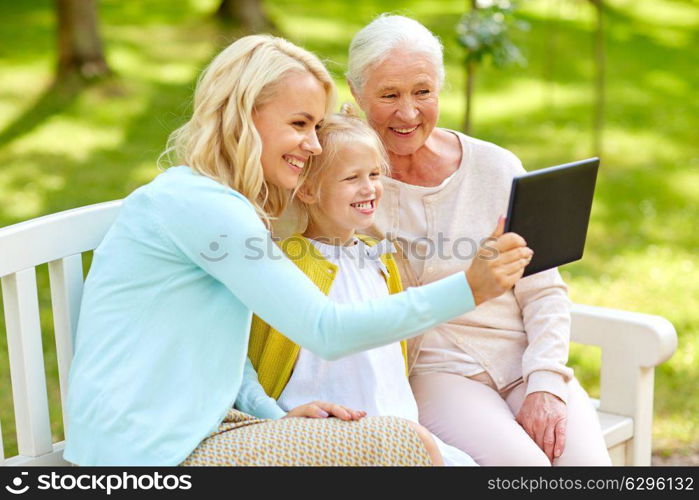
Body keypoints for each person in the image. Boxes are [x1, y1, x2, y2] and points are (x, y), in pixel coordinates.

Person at [63, 34, 532, 466]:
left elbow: (226, 351)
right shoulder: (199, 205)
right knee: (406, 445)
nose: (312, 145)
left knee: (439, 457)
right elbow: (326, 330)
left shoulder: (221, 203)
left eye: (316, 126)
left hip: (204, 425)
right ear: (244, 116)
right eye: (299, 124)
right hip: (145, 453)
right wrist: (469, 288)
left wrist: (272, 415)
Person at [346, 15, 611, 465]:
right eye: (389, 94)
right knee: (524, 470)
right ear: (355, 94)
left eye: (423, 92)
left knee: (588, 470)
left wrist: (545, 382)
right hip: (436, 372)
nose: (408, 112)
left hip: (523, 361)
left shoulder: (496, 166)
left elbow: (544, 289)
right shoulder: (349, 184)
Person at [237, 107, 476, 466]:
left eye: (375, 174)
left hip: (400, 427)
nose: (369, 188)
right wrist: (272, 415)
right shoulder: (286, 266)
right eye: (352, 178)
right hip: (325, 435)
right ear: (308, 191)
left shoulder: (380, 259)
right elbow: (255, 349)